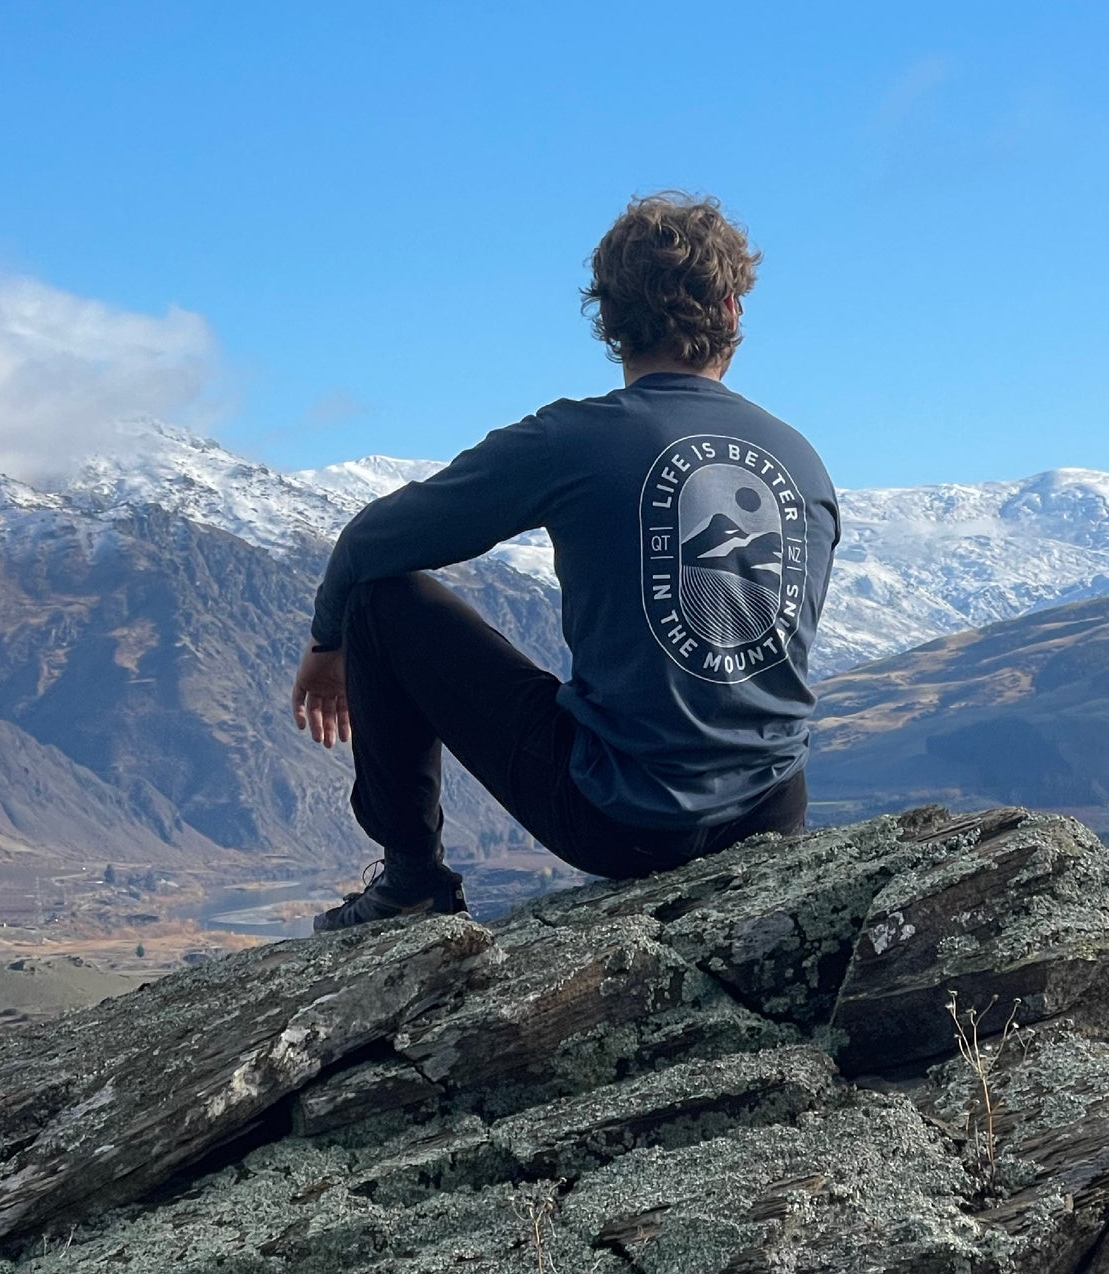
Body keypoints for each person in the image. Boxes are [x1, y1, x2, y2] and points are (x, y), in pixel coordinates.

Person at [291, 194, 838, 928]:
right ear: (733, 309)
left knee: (378, 602)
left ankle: (411, 880)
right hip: (771, 815)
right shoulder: (801, 460)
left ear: (608, 317)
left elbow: (369, 544)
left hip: (623, 823)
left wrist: (328, 645)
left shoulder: (572, 441)